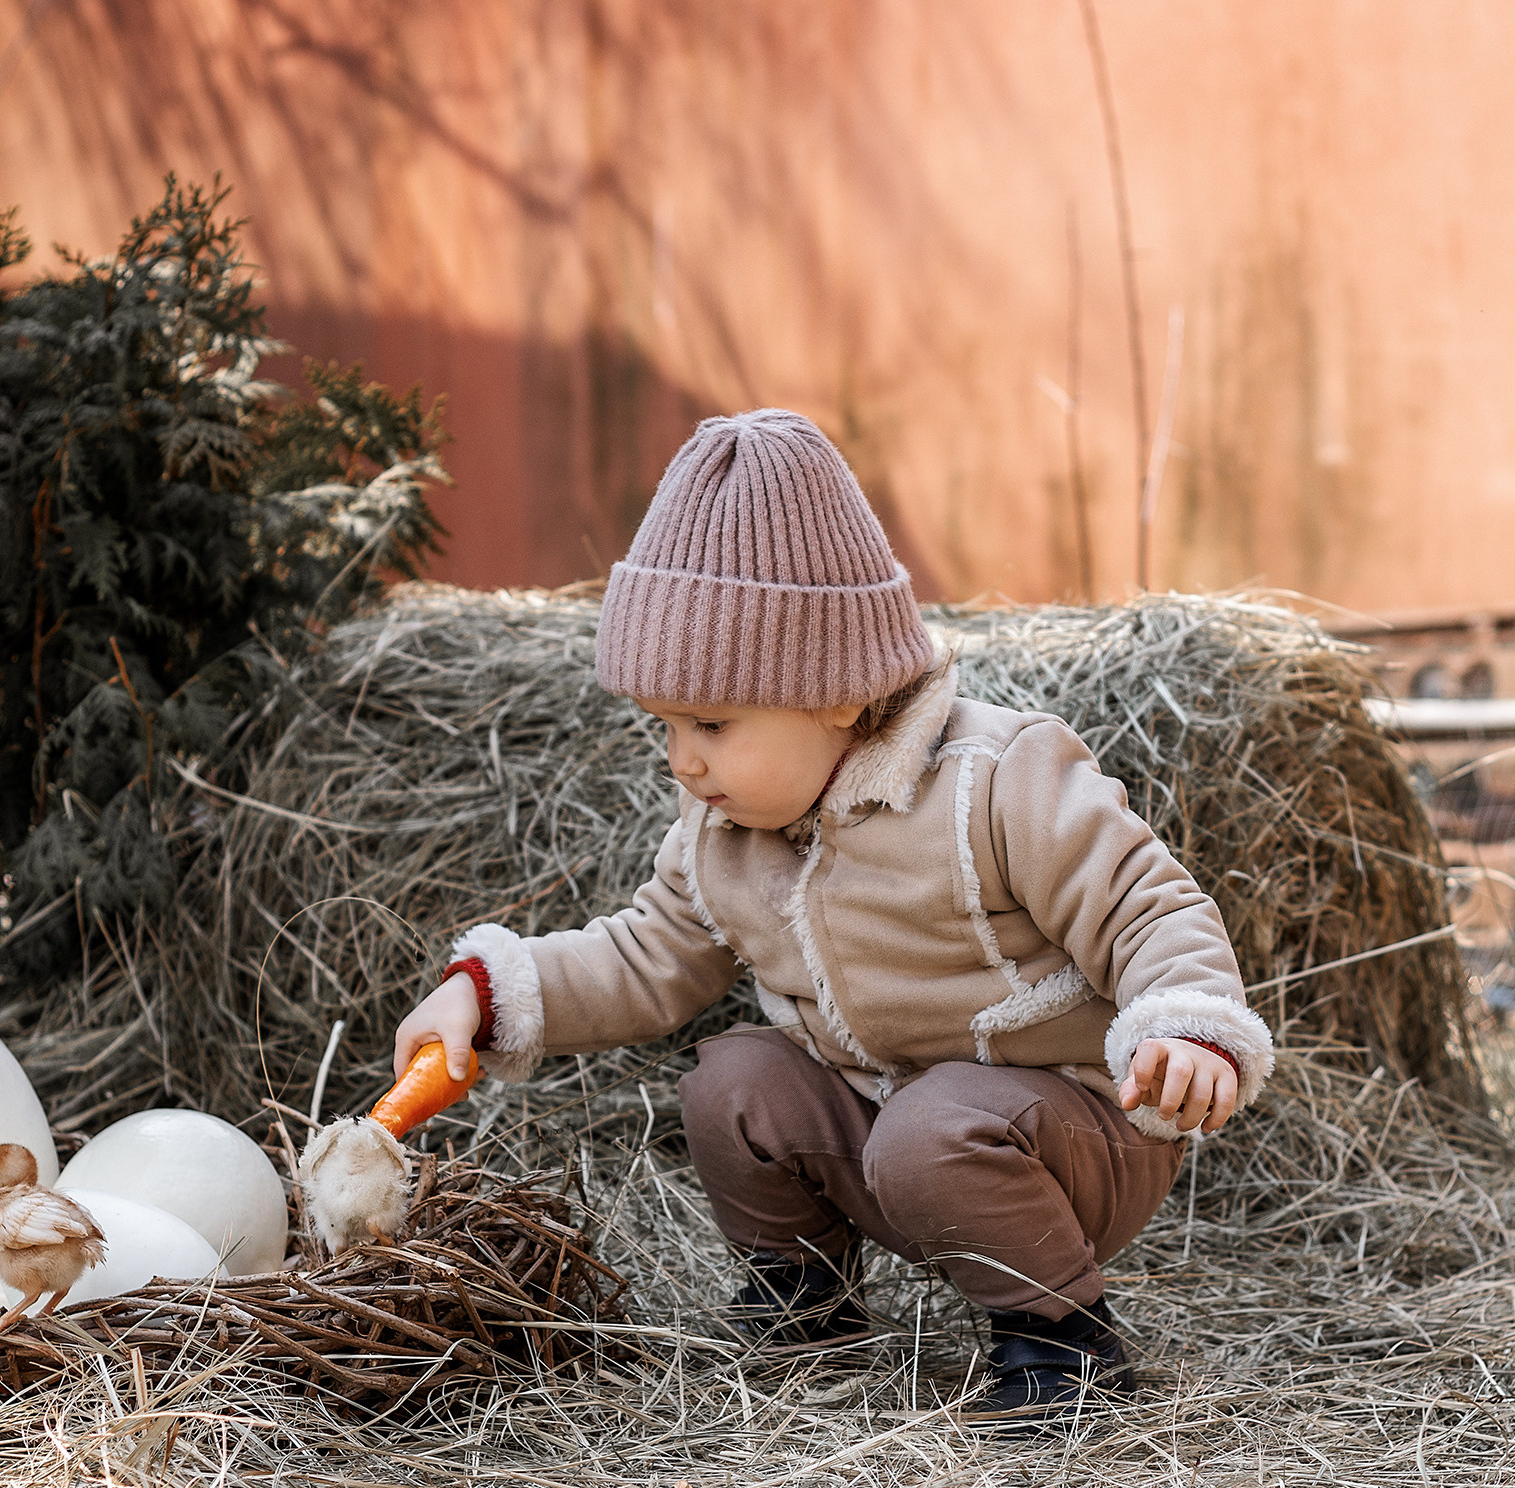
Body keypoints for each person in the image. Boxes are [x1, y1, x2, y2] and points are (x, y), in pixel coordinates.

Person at [393, 408, 1272, 1431]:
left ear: (836, 695)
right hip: (900, 1136)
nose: (682, 758)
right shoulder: (724, 831)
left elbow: (1142, 903)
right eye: (664, 725)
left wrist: (1184, 1023)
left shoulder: (991, 779)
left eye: (711, 724)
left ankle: (1061, 1342)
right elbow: (645, 958)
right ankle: (806, 1309)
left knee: (930, 1124)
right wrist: (484, 992)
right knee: (731, 1080)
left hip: (1069, 1134)